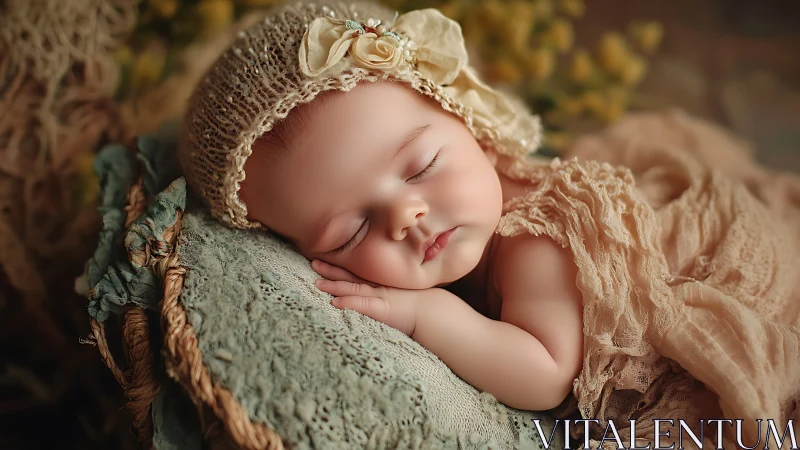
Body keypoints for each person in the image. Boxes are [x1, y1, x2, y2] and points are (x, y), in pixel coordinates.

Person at [178, 0, 583, 412]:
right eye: (351, 234)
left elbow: (547, 376)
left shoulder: (538, 239)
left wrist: (425, 315)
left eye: (423, 168)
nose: (406, 216)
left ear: (473, 127)